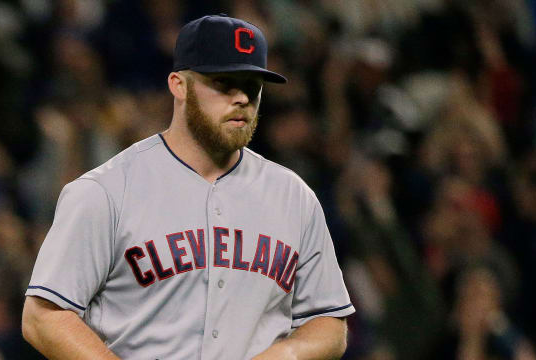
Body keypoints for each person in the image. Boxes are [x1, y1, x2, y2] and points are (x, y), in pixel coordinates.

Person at [22, 14, 354, 359]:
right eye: (225, 83)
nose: (241, 98)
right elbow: (43, 316)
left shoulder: (294, 196)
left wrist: (289, 353)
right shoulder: (105, 191)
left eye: (252, 85)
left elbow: (328, 320)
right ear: (179, 84)